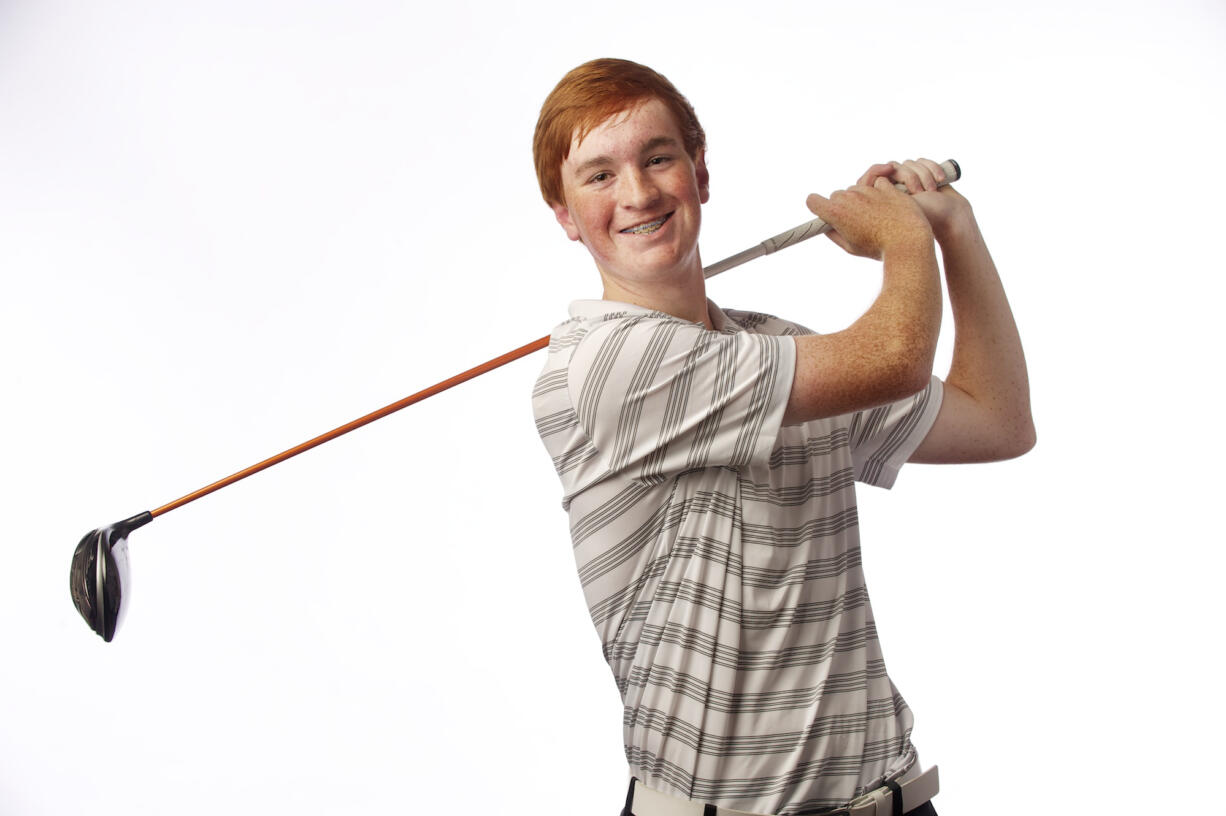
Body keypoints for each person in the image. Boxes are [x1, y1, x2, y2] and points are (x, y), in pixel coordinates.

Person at [530, 58, 1033, 816]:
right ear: (565, 214)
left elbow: (997, 420)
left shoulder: (774, 354)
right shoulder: (607, 363)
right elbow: (894, 359)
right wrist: (901, 238)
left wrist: (951, 229)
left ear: (700, 173)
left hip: (893, 798)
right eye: (598, 176)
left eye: (658, 157)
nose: (637, 193)